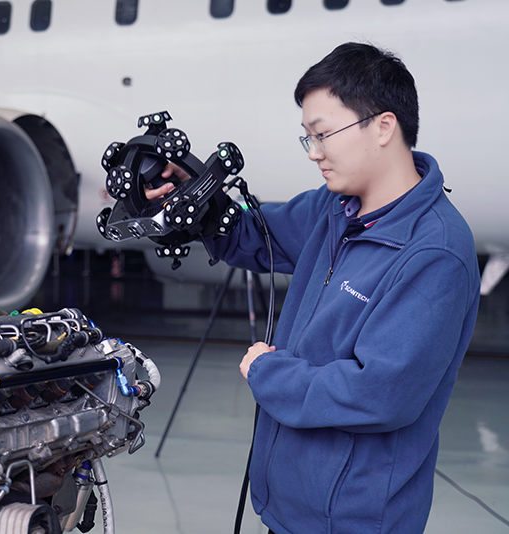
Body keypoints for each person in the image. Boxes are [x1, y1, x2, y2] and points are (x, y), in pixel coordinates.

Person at [148, 42, 481, 533]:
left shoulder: (435, 254)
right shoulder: (333, 208)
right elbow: (253, 235)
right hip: (286, 509)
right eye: (308, 138)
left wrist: (268, 371)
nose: (316, 153)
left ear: (384, 126)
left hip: (353, 521)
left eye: (323, 134)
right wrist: (192, 198)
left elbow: (379, 394)